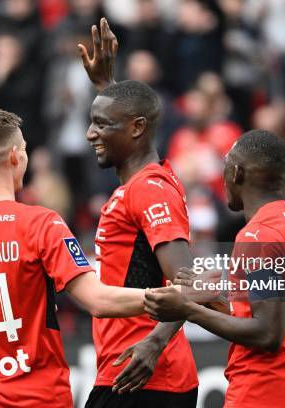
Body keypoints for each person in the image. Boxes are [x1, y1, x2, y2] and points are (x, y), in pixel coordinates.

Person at [0, 109, 150, 407]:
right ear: (15, 157)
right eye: (25, 149)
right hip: (39, 399)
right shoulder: (40, 223)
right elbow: (99, 301)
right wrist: (174, 296)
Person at [145, 130, 285, 407]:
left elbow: (267, 333)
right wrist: (209, 294)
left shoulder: (258, 235)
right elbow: (273, 305)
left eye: (225, 168)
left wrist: (188, 310)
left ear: (238, 173)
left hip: (267, 392)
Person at [77, 18, 198, 408]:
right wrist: (106, 87)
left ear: (137, 129)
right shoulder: (145, 180)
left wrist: (154, 344)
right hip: (132, 372)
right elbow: (129, 117)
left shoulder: (148, 190)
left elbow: (190, 282)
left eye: (101, 125)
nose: (90, 134)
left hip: (143, 375)